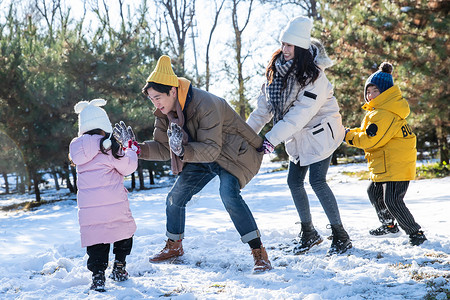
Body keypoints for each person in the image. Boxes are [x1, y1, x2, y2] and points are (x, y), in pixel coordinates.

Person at [122, 55, 271, 273]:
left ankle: (259, 252)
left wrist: (182, 150)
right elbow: (164, 148)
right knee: (175, 197)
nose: (155, 104)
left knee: (228, 195)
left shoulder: (205, 103)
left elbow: (212, 148)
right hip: (199, 156)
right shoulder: (164, 113)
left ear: (172, 91)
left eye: (157, 97)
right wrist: (138, 148)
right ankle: (174, 245)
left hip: (235, 154)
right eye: (151, 99)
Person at [246, 16, 351, 256]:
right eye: (282, 44)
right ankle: (309, 233)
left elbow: (299, 116)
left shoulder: (316, 79)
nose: (284, 49)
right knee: (294, 182)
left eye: (289, 45)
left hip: (321, 134)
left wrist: (271, 139)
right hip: (298, 137)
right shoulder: (275, 74)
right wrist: (244, 136)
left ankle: (341, 235)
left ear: (301, 48)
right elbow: (262, 110)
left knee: (317, 181)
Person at [344, 62, 427, 246]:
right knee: (374, 192)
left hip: (396, 164)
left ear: (386, 93)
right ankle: (389, 226)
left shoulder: (385, 113)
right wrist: (350, 132)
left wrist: (347, 137)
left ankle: (416, 233)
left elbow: (370, 140)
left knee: (392, 200)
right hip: (388, 163)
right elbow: (367, 132)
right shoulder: (379, 112)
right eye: (368, 91)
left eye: (375, 91)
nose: (370, 95)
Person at [69, 99, 139, 292]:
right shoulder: (108, 146)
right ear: (103, 126)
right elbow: (128, 167)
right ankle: (119, 267)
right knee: (124, 232)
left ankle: (98, 276)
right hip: (114, 204)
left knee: (96, 240)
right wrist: (130, 148)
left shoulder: (77, 149)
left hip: (90, 209)